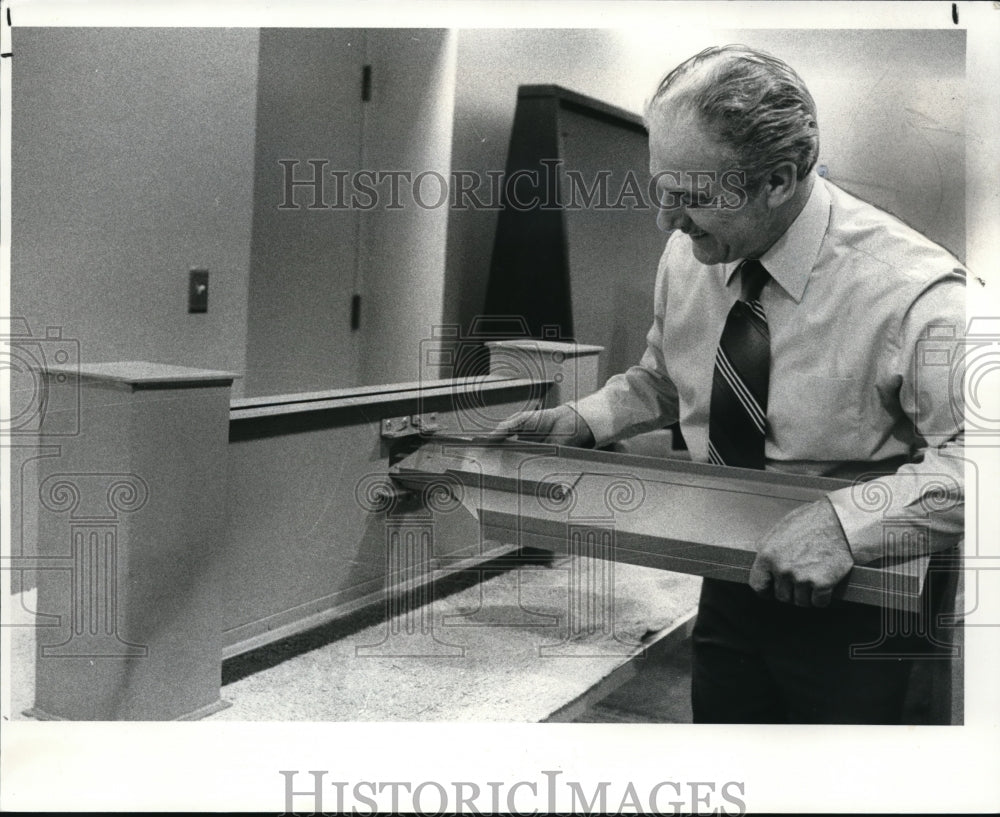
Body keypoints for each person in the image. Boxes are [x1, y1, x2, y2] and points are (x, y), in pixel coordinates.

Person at [491, 45, 965, 724]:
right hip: (730, 583)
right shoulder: (693, 250)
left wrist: (846, 523)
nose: (668, 223)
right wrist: (585, 419)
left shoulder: (913, 291)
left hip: (862, 607)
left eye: (690, 199)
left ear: (778, 179)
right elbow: (665, 373)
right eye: (662, 191)